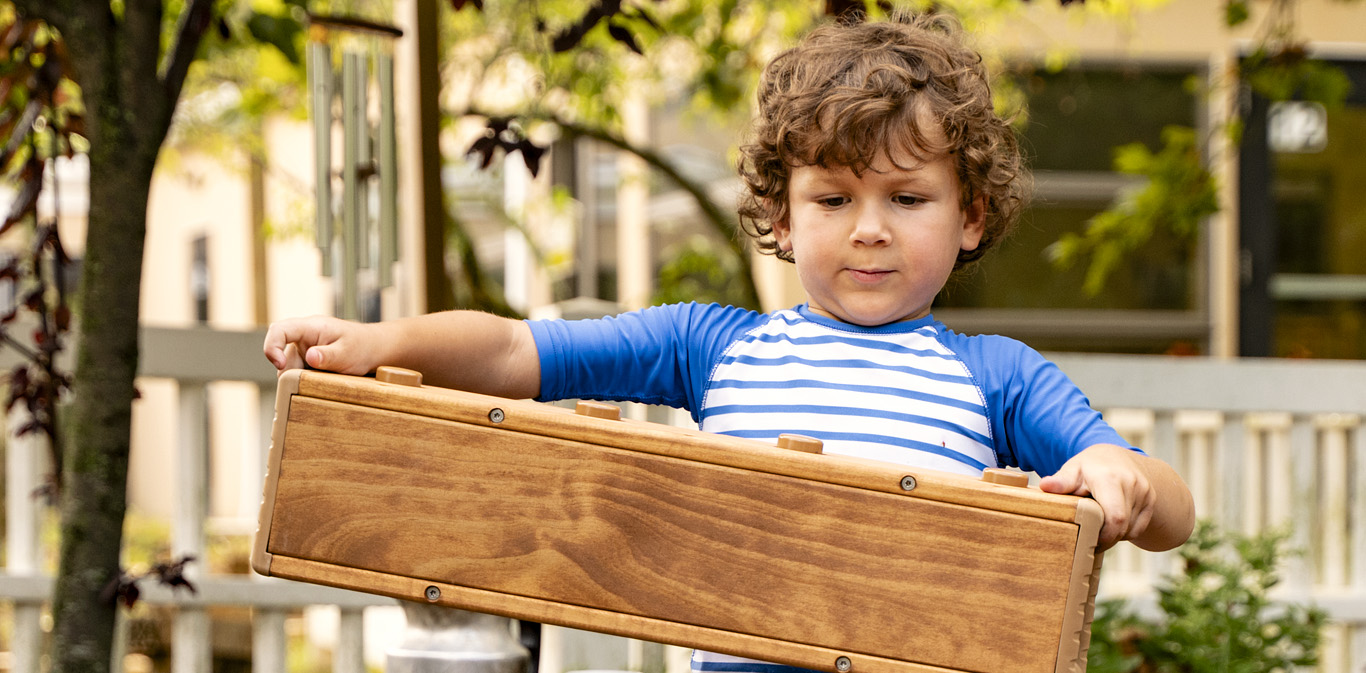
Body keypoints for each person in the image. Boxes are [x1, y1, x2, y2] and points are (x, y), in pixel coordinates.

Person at [264, 12, 1194, 671]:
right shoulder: (714, 347)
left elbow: (1168, 505)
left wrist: (1125, 481)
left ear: (971, 217)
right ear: (783, 219)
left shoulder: (994, 375)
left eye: (907, 199)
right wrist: (383, 339)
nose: (869, 229)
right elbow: (515, 351)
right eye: (834, 199)